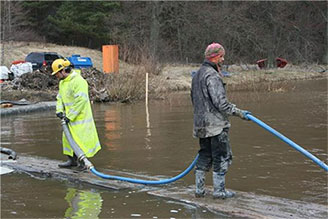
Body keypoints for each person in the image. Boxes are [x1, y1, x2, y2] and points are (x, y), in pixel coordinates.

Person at [191, 43, 250, 199]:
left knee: (204, 155)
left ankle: (199, 190)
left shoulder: (197, 75)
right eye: (222, 56)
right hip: (216, 125)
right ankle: (219, 191)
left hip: (200, 125)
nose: (223, 59)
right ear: (215, 57)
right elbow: (221, 103)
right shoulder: (212, 75)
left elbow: (194, 100)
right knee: (221, 156)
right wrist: (239, 113)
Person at [51, 59, 101, 169]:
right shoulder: (63, 83)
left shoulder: (78, 81)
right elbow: (60, 98)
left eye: (57, 74)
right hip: (69, 117)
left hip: (80, 118)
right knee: (68, 139)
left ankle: (83, 163)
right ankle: (72, 160)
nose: (56, 76)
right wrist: (59, 110)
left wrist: (70, 116)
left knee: (80, 140)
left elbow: (81, 100)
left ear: (63, 71)